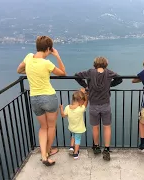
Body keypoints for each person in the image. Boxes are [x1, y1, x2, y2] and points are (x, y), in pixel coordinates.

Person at [16, 35, 66, 166]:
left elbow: (19, 70)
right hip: (49, 97)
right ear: (49, 49)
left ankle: (43, 155)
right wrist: (57, 56)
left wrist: (31, 72)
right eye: (50, 50)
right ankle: (48, 152)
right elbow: (63, 72)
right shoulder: (47, 63)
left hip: (34, 98)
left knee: (43, 127)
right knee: (51, 126)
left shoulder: (28, 57)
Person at [74, 56, 123, 161]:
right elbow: (119, 79)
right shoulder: (109, 73)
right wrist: (110, 84)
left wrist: (86, 86)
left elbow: (77, 76)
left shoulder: (90, 72)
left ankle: (96, 147)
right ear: (106, 64)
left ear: (95, 64)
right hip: (105, 104)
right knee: (107, 127)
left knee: (95, 127)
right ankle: (106, 149)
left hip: (93, 105)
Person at [59, 88, 88, 160]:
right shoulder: (80, 109)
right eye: (82, 100)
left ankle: (71, 147)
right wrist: (85, 94)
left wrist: (61, 108)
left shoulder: (68, 107)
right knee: (77, 139)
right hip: (79, 128)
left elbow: (63, 115)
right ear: (81, 101)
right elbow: (86, 103)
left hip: (72, 127)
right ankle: (75, 153)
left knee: (73, 135)